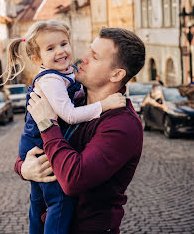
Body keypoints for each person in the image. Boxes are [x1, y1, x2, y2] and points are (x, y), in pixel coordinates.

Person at [15, 27, 146, 234]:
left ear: (116, 74)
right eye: (88, 51)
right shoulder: (74, 101)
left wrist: (48, 124)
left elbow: (72, 179)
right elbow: (36, 149)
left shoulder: (122, 124)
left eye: (94, 56)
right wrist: (24, 168)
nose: (83, 58)